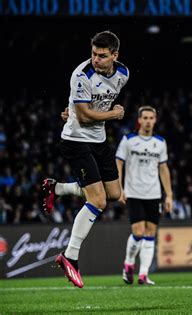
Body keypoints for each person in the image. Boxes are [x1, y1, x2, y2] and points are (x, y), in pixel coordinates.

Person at [42, 31, 129, 288]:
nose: (96, 59)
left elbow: (94, 106)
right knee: (98, 200)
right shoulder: (81, 75)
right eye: (93, 54)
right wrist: (113, 114)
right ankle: (70, 256)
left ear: (115, 55)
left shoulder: (123, 73)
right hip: (76, 140)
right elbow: (84, 117)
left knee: (114, 194)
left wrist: (78, 109)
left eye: (102, 56)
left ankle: (56, 188)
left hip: (99, 141)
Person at [115, 106, 173, 285]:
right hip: (133, 192)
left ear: (155, 120)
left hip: (154, 193)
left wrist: (169, 195)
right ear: (139, 120)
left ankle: (143, 274)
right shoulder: (128, 140)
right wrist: (119, 188)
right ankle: (129, 263)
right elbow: (118, 163)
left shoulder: (160, 142)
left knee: (151, 233)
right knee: (138, 232)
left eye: (151, 118)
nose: (148, 121)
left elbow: (163, 169)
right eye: (145, 118)